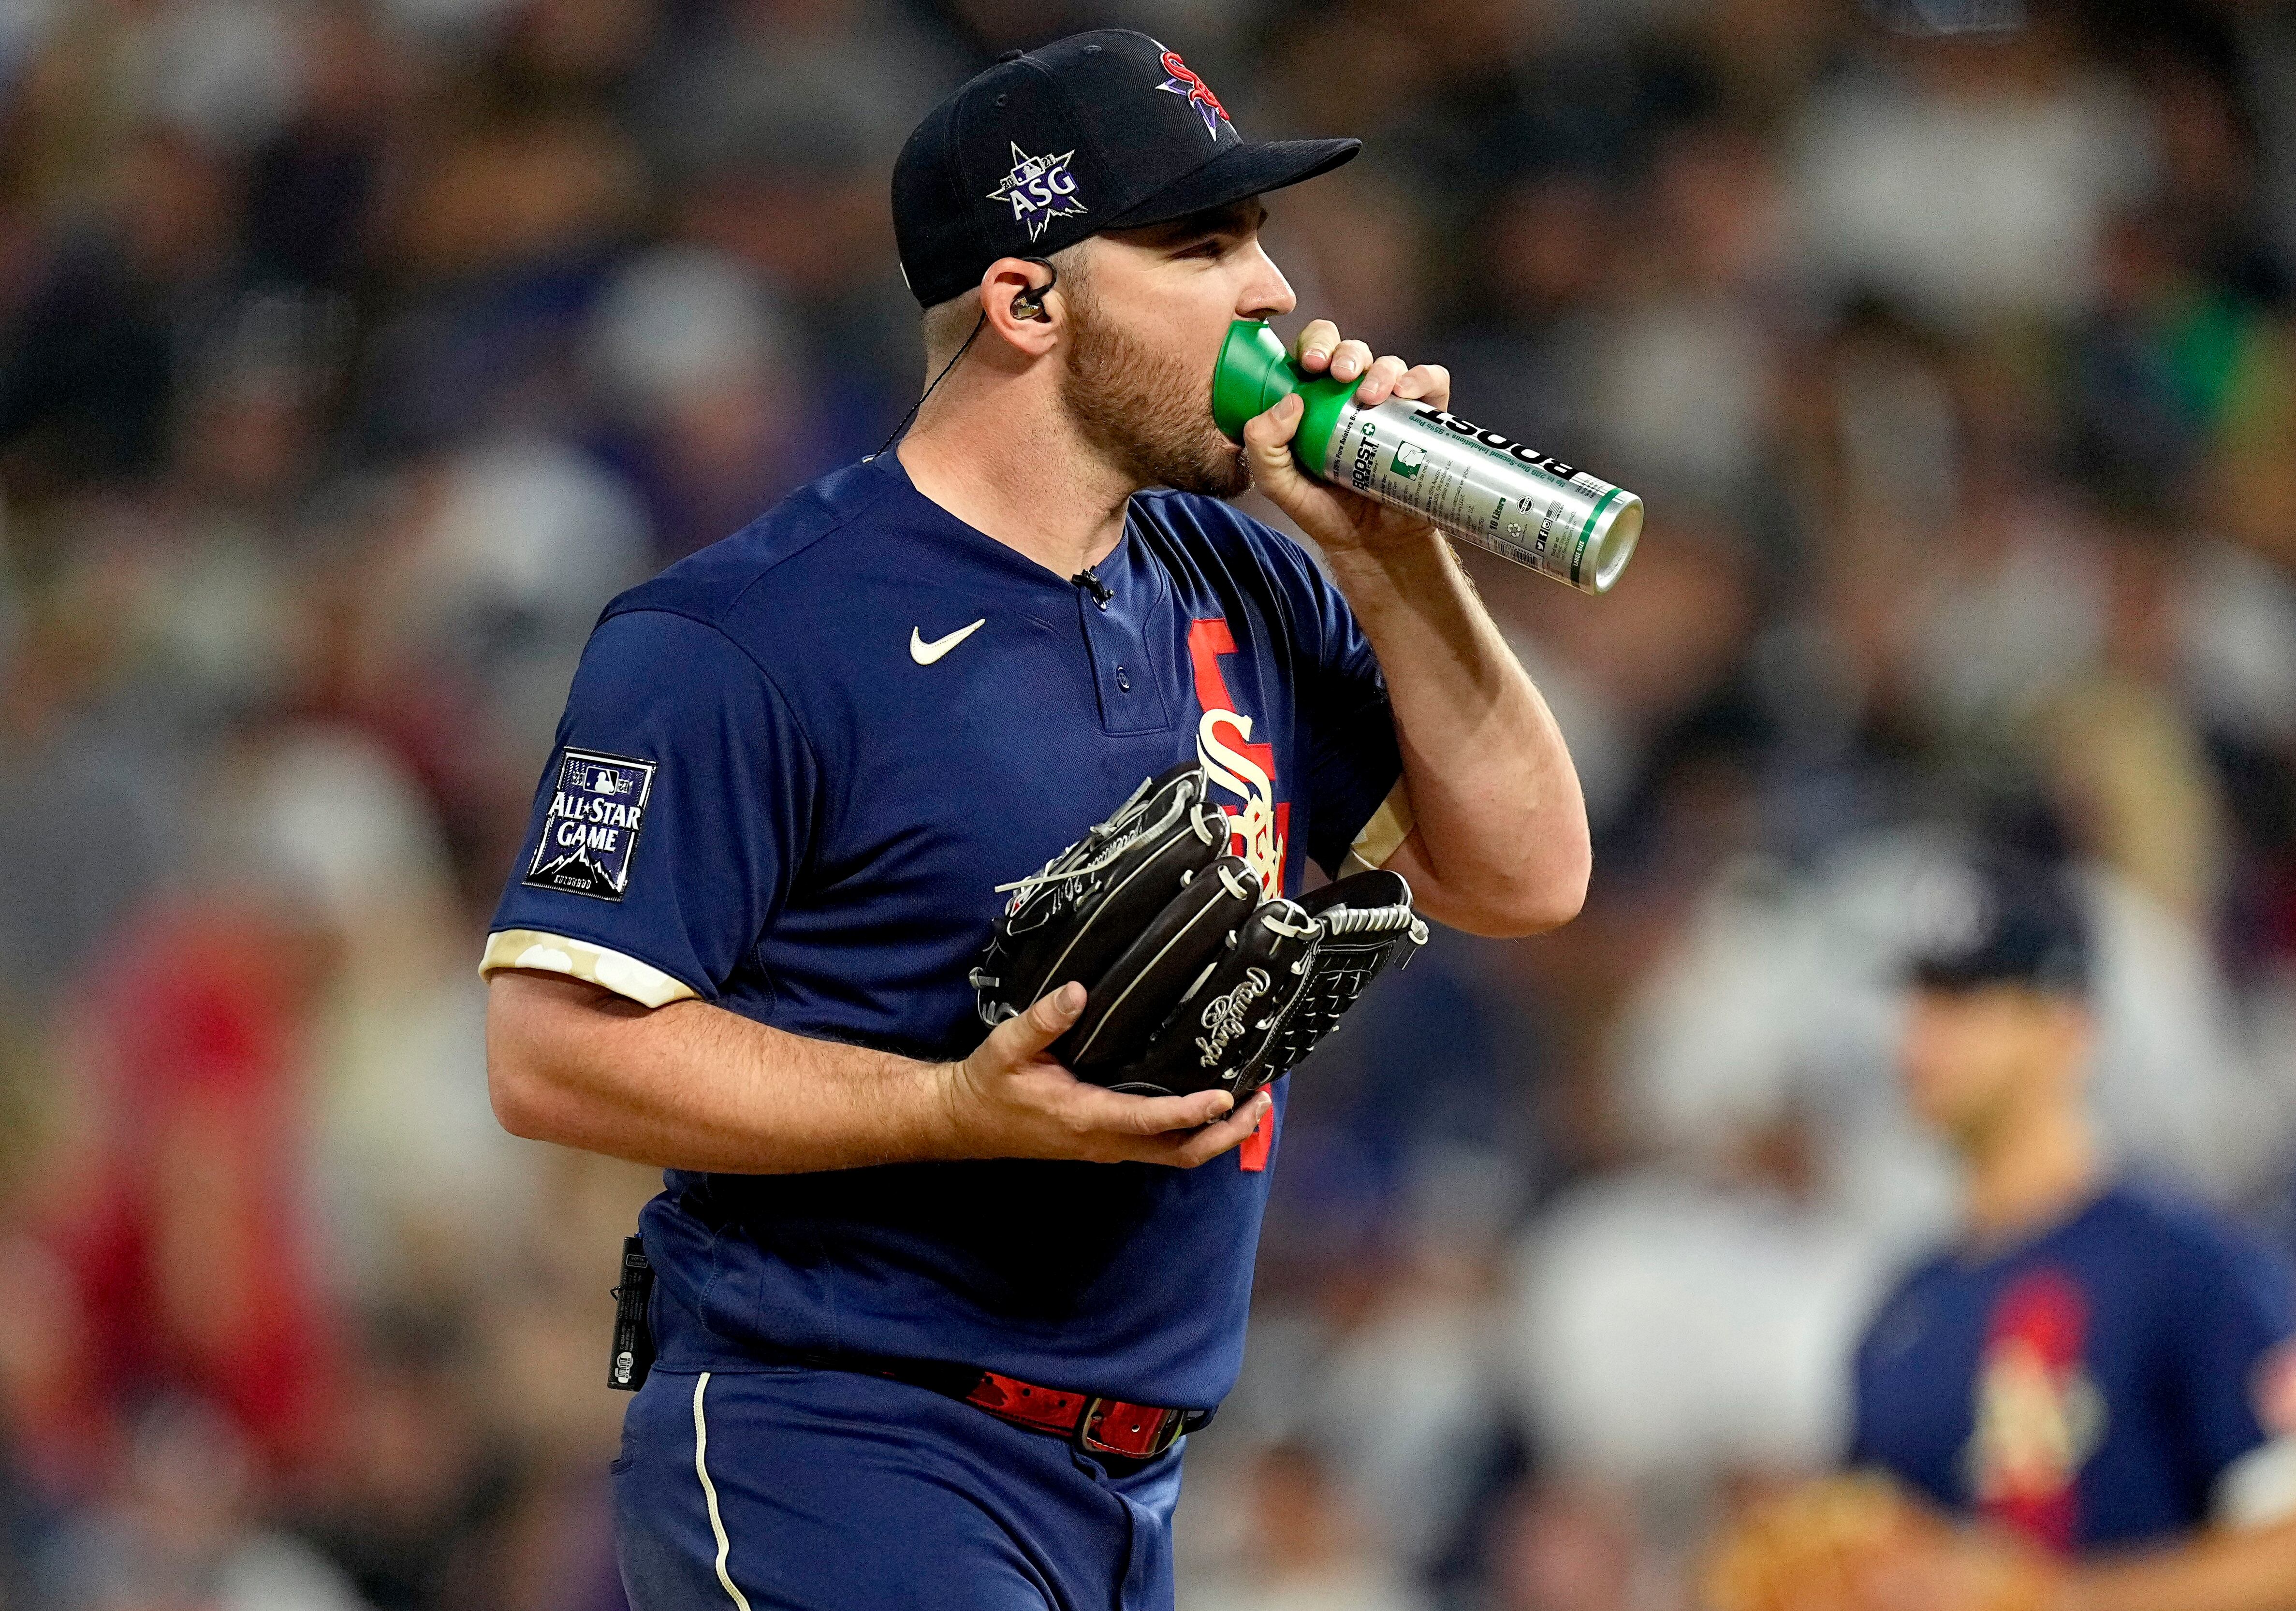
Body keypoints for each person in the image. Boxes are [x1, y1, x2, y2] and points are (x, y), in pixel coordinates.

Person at [479, 30, 1589, 1611]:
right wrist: (947, 1109)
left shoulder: (1249, 576)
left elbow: (1530, 876)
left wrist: (1395, 562)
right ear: (1026, 301)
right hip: (841, 1441)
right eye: (1202, 245)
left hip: (1123, 1488)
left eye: (1259, 237)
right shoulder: (747, 633)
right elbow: (552, 1046)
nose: (1272, 290)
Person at [1842, 851, 2296, 1611]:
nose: (1923, 1033)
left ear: (2068, 1024)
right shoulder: (1900, 1312)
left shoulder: (2196, 1265)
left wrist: (2054, 1602)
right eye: (1916, 996)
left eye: (1966, 997)